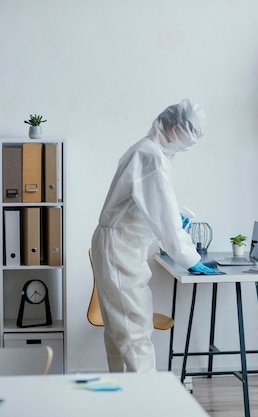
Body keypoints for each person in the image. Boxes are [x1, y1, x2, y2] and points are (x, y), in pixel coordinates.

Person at [91, 98, 217, 373]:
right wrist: (190, 257)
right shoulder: (151, 157)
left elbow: (149, 206)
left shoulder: (145, 151)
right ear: (173, 129)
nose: (186, 144)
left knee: (118, 328)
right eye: (187, 136)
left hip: (120, 245)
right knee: (134, 330)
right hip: (120, 249)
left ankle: (124, 397)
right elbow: (165, 218)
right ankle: (149, 401)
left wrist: (173, 219)